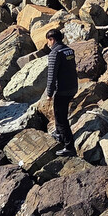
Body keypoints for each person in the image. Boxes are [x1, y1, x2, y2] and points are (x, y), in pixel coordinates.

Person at [44, 28, 78, 156]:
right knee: (60, 113)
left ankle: (69, 147)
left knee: (61, 118)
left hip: (63, 90)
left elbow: (51, 75)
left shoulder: (55, 53)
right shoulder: (69, 50)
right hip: (73, 87)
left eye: (48, 41)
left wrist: (49, 93)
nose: (47, 44)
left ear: (52, 40)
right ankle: (59, 135)